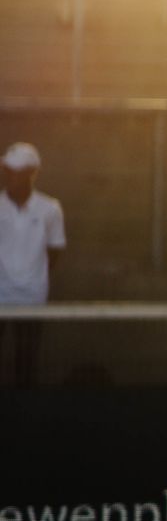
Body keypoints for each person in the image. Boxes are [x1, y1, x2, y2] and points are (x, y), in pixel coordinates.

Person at [0, 142, 65, 388]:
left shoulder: (50, 209)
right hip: (0, 294)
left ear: (31, 173)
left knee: (27, 362)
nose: (10, 176)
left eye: (16, 171)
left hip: (32, 297)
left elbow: (55, 248)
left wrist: (34, 276)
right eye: (7, 170)